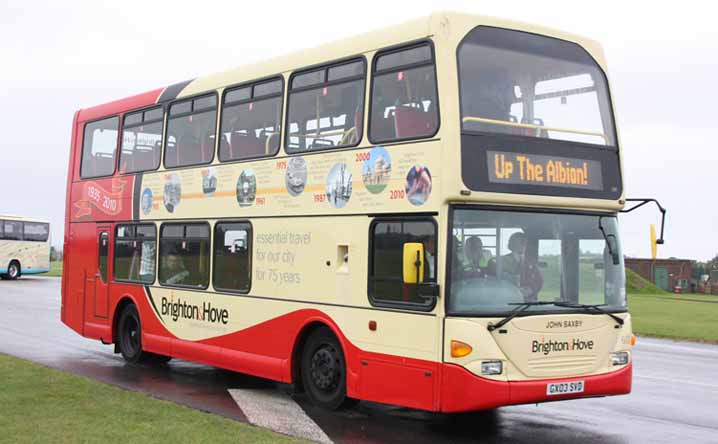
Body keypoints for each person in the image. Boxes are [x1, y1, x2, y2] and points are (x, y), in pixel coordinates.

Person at [500, 232, 543, 301]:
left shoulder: (531, 261)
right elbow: (497, 280)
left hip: (528, 303)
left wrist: (531, 289)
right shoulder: (502, 261)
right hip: (507, 301)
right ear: (512, 244)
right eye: (521, 241)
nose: (524, 244)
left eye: (525, 242)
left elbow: (539, 281)